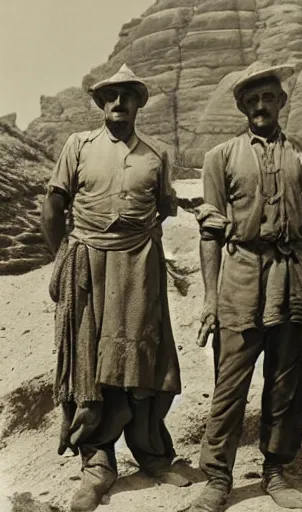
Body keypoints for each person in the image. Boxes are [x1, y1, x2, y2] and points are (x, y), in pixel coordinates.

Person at [41, 64, 188, 512]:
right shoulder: (78, 146)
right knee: (89, 358)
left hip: (140, 265)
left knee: (144, 356)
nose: (117, 103)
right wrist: (65, 260)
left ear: (139, 102)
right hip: (87, 264)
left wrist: (134, 238)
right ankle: (97, 464)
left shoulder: (156, 154)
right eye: (109, 96)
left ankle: (152, 455)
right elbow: (54, 207)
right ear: (100, 103)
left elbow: (164, 208)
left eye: (126, 95)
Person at [190, 62, 302, 512]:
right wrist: (209, 297)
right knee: (230, 382)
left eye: (268, 98)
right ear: (242, 106)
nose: (261, 106)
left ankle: (276, 470)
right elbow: (210, 232)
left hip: (293, 275)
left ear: (282, 102)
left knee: (286, 380)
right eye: (252, 100)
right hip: (241, 273)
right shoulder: (219, 157)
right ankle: (218, 477)